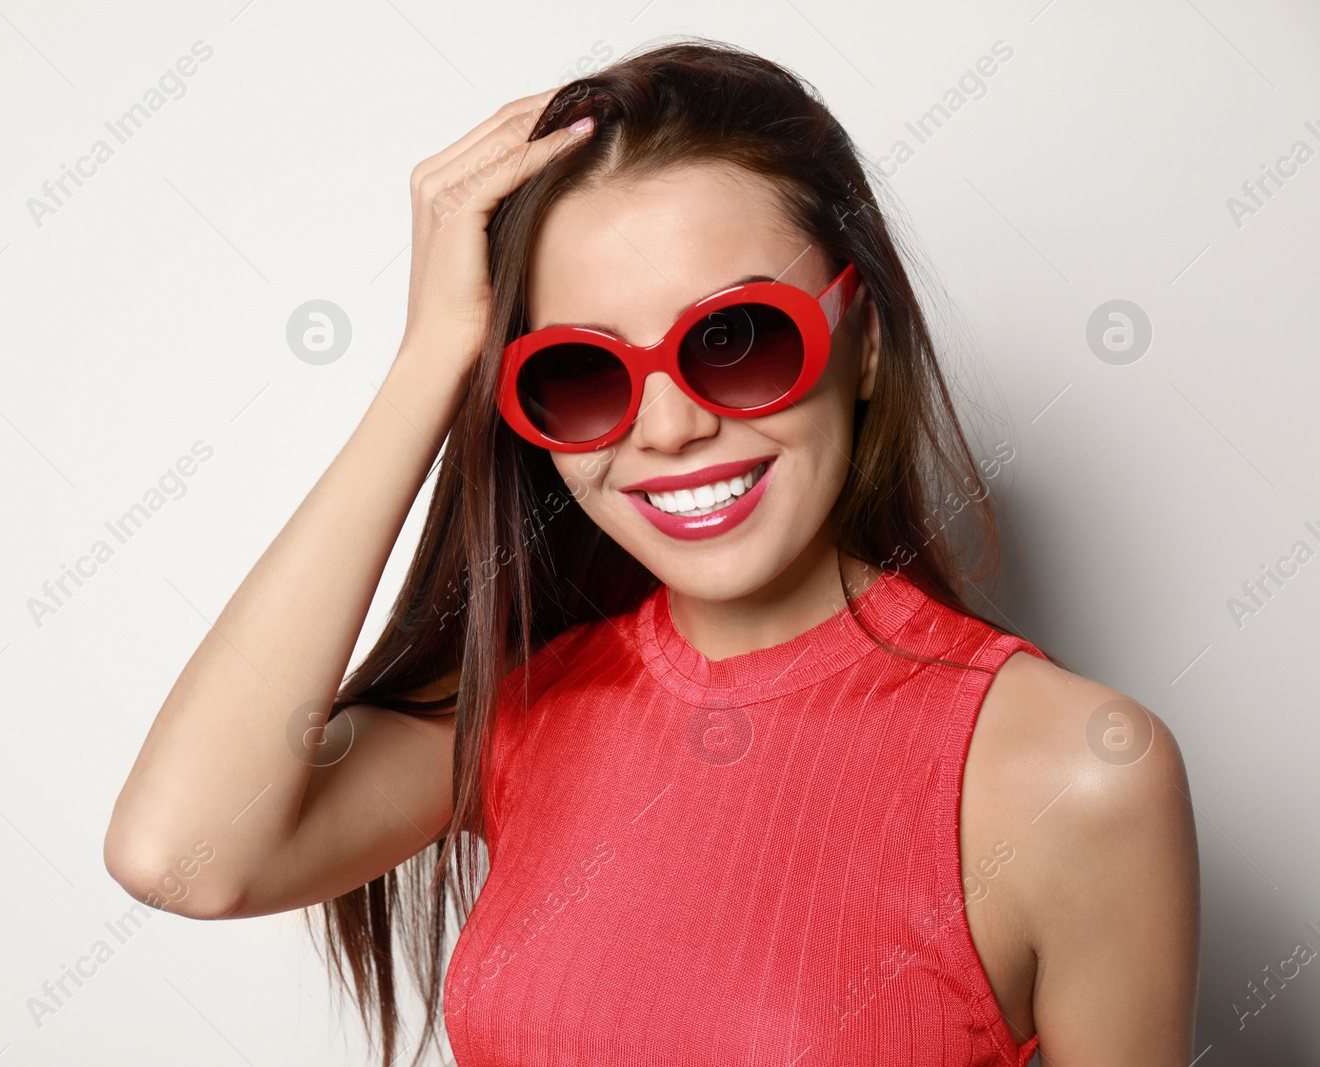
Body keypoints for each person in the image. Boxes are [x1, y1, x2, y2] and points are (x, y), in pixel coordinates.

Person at [104, 37, 1199, 1067]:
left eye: (734, 340)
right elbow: (185, 853)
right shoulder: (528, 706)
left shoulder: (1077, 773)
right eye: (581, 373)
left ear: (861, 340)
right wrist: (431, 356)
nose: (667, 426)